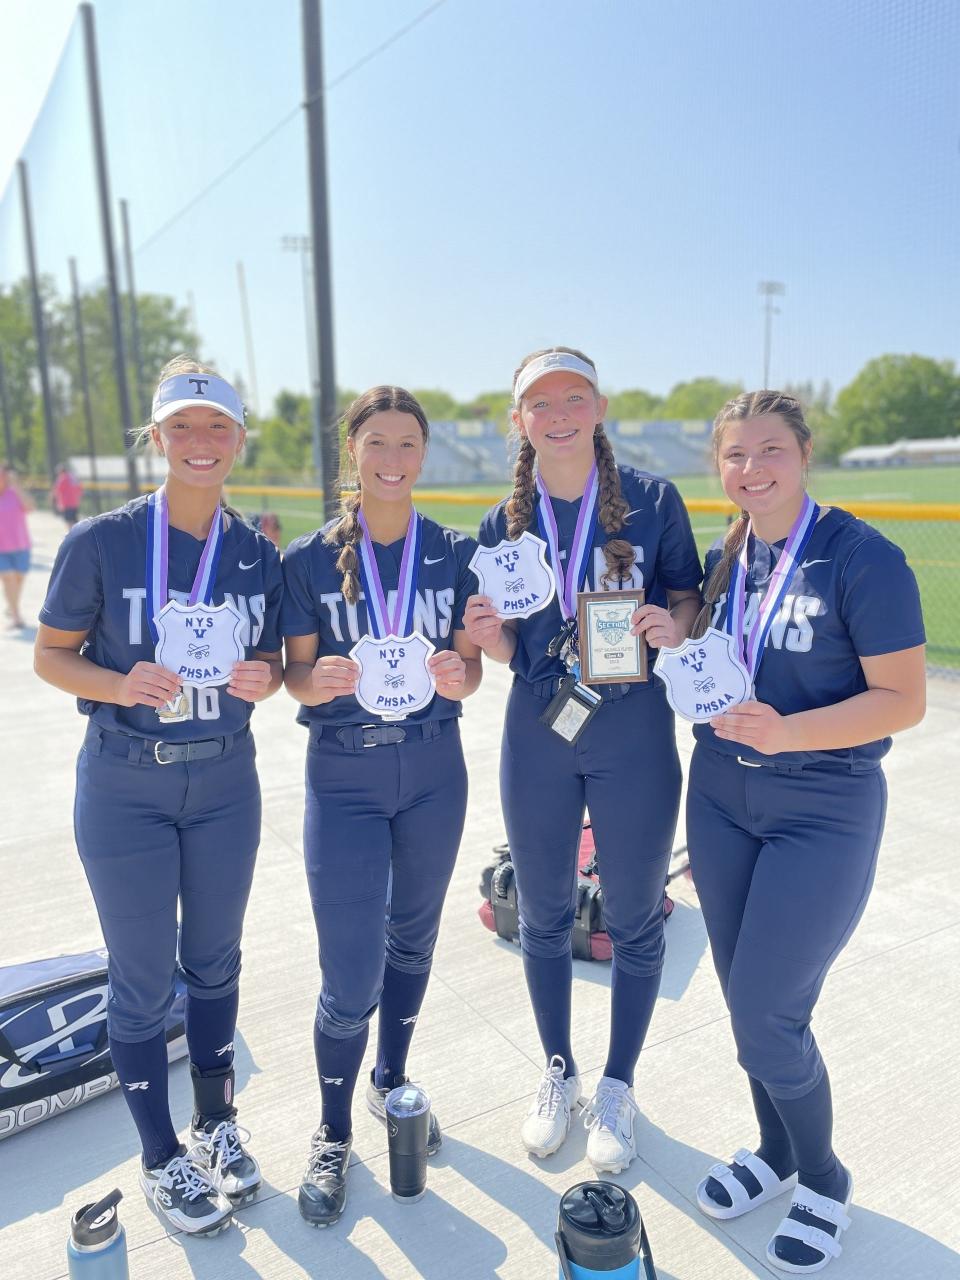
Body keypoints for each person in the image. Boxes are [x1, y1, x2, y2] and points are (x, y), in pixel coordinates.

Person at [34, 358, 284, 1238]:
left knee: (215, 960)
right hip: (126, 782)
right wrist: (114, 680)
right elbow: (50, 655)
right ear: (157, 438)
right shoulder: (100, 541)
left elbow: (278, 669)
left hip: (224, 779)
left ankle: (216, 1125)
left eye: (218, 426)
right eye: (184, 426)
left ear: (238, 439)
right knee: (141, 981)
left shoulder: (256, 550)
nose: (202, 442)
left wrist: (268, 676)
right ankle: (161, 1155)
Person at [686, 391, 926, 1273]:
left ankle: (823, 1177)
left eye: (770, 451)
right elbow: (724, 662)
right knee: (748, 998)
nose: (752, 470)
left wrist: (791, 731)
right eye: (735, 456)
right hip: (718, 798)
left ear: (804, 452)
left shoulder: (860, 556)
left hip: (822, 804)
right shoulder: (731, 554)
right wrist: (668, 637)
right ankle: (774, 1150)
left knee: (766, 1014)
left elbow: (906, 698)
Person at [464, 347, 702, 1173]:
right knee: (542, 909)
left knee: (635, 916)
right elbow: (508, 647)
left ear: (598, 406)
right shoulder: (505, 524)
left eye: (573, 397)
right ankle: (558, 1070)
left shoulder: (653, 498)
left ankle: (618, 1084)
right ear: (519, 420)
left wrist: (675, 625)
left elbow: (687, 595)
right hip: (540, 731)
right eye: (539, 401)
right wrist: (491, 641)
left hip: (633, 727)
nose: (558, 413)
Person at [282, 385, 483, 1227]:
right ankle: (332, 1132)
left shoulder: (456, 552)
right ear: (353, 454)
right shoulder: (306, 559)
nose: (393, 459)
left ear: (422, 455)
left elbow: (472, 670)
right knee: (350, 965)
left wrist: (457, 674)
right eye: (378, 444)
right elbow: (292, 675)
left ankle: (391, 1080)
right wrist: (313, 677)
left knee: (416, 937)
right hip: (347, 773)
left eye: (408, 444)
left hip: (436, 768)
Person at [0, 462, 32, 630]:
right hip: (1, 549)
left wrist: (17, 486)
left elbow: (30, 507)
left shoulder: (15, 493)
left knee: (18, 580)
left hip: (21, 545)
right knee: (9, 578)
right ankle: (16, 616)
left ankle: (12, 606)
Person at [51, 463, 84, 528]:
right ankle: (77, 534)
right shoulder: (73, 477)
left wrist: (56, 501)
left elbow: (56, 491)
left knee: (68, 521)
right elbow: (80, 489)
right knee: (75, 520)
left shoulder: (62, 478)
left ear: (61, 471)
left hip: (66, 503)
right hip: (75, 503)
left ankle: (72, 536)